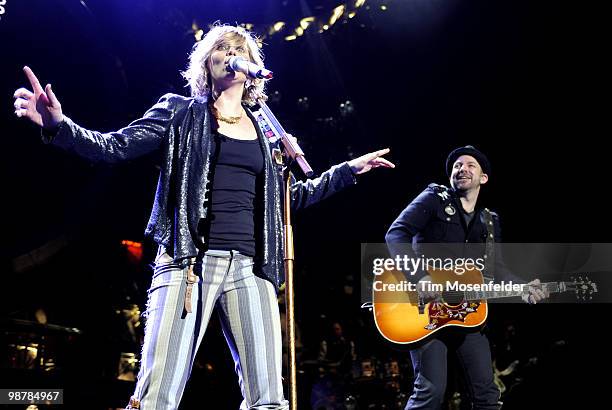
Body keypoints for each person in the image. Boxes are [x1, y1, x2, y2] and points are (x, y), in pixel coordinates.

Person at [13, 24, 394, 410]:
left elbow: (287, 199)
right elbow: (115, 147)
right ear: (205, 61)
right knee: (158, 395)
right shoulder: (179, 112)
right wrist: (60, 127)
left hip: (252, 268)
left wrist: (348, 170)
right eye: (221, 49)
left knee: (269, 399)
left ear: (251, 68)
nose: (230, 55)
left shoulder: (266, 133)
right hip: (188, 265)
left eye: (237, 49)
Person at [385, 145, 547, 410]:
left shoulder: (490, 221)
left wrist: (523, 287)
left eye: (470, 165)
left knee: (487, 395)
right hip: (427, 313)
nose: (462, 168)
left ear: (483, 178)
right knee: (431, 392)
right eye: (457, 165)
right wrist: (420, 277)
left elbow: (495, 270)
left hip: (469, 314)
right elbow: (396, 234)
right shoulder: (433, 198)